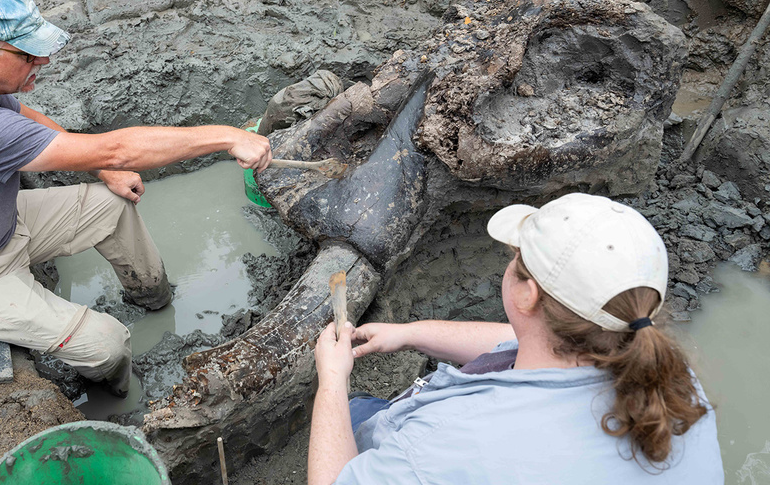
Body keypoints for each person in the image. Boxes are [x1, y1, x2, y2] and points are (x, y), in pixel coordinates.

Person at [0, 0, 271, 397]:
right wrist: (226, 136)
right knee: (107, 344)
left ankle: (153, 298)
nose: (41, 60)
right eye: (26, 54)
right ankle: (118, 394)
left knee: (111, 206)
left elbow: (26, 114)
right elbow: (118, 149)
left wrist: (102, 171)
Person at [309, 193, 723, 484]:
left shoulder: (442, 443)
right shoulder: (671, 379)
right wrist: (411, 333)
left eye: (516, 258)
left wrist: (331, 381)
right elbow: (521, 340)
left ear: (527, 294)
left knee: (353, 409)